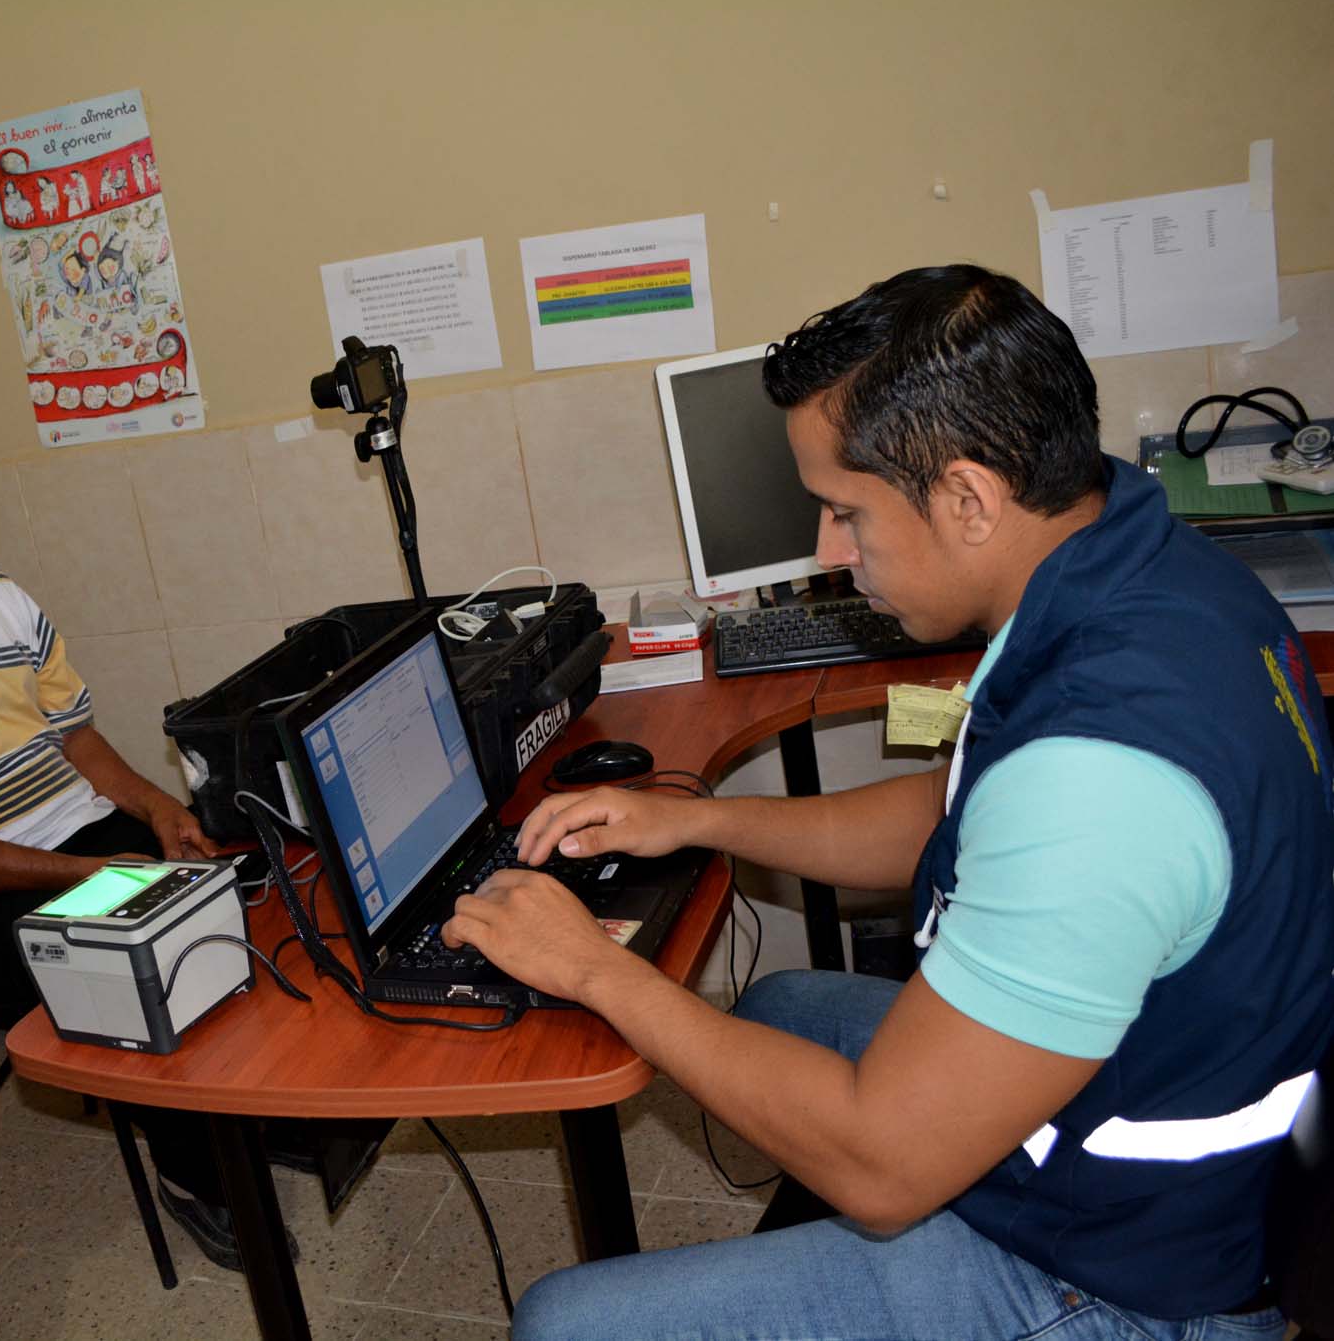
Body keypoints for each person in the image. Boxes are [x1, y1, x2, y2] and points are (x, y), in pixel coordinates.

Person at [443, 265, 1334, 1340]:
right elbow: (956, 818)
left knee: (566, 1323)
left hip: (1132, 1281)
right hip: (1163, 1103)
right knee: (778, 1013)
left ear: (968, 497)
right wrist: (700, 817)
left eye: (843, 511)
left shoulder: (1099, 779)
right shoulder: (1150, 567)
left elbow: (880, 1167)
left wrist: (591, 967)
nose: (828, 550)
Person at [0, 398, 338, 1273]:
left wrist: (156, 812)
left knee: (249, 883)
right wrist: (91, 872)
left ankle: (259, 1112)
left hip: (81, 838)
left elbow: (78, 737)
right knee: (137, 956)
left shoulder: (0, 595)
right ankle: (199, 1180)